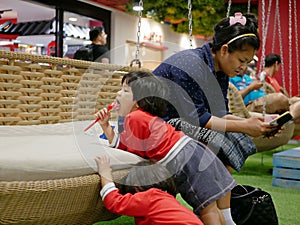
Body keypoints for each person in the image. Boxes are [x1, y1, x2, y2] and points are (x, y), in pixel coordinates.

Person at [152, 12, 281, 225]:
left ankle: (226, 216)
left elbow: (220, 113)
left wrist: (256, 123)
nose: (243, 68)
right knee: (215, 142)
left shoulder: (220, 70)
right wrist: (245, 126)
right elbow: (199, 120)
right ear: (224, 50)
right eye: (241, 60)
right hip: (153, 125)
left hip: (181, 122)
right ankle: (217, 215)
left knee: (224, 141)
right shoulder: (193, 65)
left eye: (247, 62)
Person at [95, 71, 236, 225]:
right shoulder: (144, 117)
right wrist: (106, 125)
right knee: (213, 207)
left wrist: (106, 128)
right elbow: (127, 145)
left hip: (184, 159)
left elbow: (126, 149)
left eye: (125, 90)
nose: (118, 94)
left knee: (207, 210)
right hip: (194, 151)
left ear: (139, 101)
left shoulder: (134, 117)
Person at [95, 155, 204, 225]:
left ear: (136, 185)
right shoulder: (167, 200)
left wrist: (105, 172)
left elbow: (113, 201)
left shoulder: (150, 198)